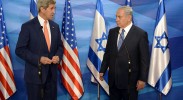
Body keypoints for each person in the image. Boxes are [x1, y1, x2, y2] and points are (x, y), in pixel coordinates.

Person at [99, 6, 149, 100]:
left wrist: (142, 79)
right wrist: (103, 69)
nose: (116, 20)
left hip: (130, 82)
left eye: (119, 17)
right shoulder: (112, 32)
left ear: (129, 17)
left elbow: (144, 60)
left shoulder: (140, 34)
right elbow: (108, 53)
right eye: (116, 17)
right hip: (113, 81)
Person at [15, 0, 63, 100]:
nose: (54, 11)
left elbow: (60, 46)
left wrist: (58, 56)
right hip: (35, 77)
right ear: (42, 9)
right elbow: (20, 50)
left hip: (52, 77)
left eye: (54, 8)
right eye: (51, 8)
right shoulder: (28, 27)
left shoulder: (55, 27)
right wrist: (38, 59)